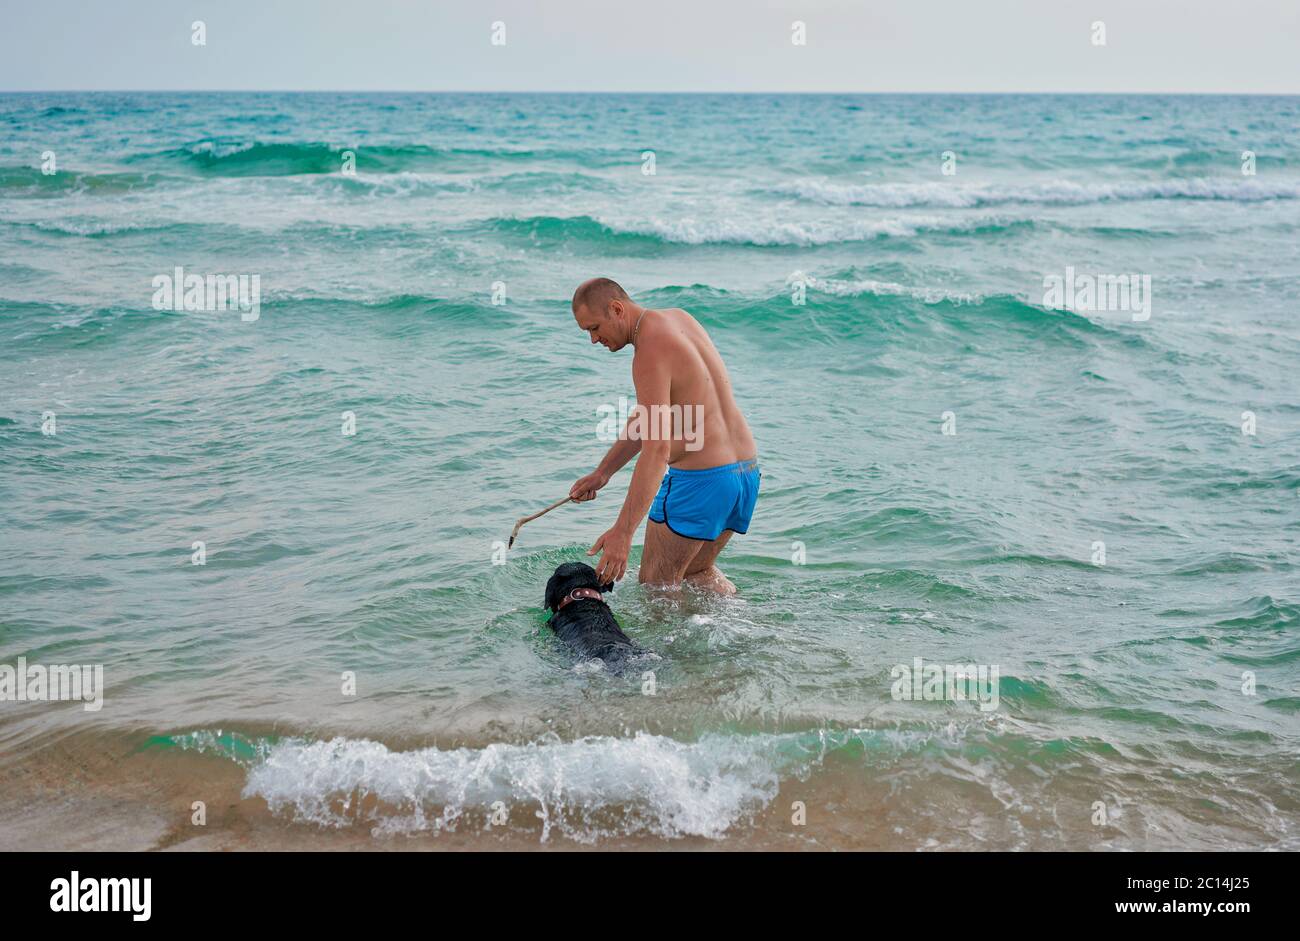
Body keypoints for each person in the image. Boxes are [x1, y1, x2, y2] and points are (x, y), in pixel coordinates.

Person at [569, 278, 759, 594]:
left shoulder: (648, 351)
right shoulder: (679, 319)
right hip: (743, 476)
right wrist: (603, 473)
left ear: (617, 309)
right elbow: (653, 416)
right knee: (696, 574)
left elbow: (657, 450)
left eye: (594, 327)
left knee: (656, 589)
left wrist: (623, 533)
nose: (592, 339)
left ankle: (665, 647)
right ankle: (741, 632)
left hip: (700, 483)